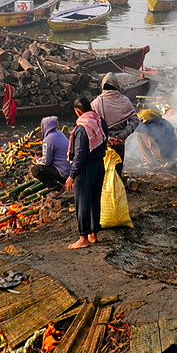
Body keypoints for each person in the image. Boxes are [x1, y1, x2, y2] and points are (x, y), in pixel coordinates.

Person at [64, 97, 108, 250]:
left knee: (82, 202)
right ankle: (93, 234)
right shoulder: (99, 120)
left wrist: (72, 175)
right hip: (99, 165)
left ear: (78, 111)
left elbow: (80, 154)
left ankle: (83, 237)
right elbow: (105, 138)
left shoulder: (82, 127)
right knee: (94, 200)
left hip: (86, 169)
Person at [90, 73, 139, 172]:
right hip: (119, 142)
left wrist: (107, 138)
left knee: (103, 172)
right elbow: (135, 121)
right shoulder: (125, 100)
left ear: (103, 86)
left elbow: (92, 125)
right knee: (117, 171)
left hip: (102, 142)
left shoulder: (96, 102)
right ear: (117, 85)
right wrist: (122, 135)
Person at [29, 116, 70, 191]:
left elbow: (46, 162)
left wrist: (36, 159)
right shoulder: (60, 133)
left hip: (63, 173)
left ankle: (57, 188)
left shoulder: (48, 140)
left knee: (36, 170)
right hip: (70, 171)